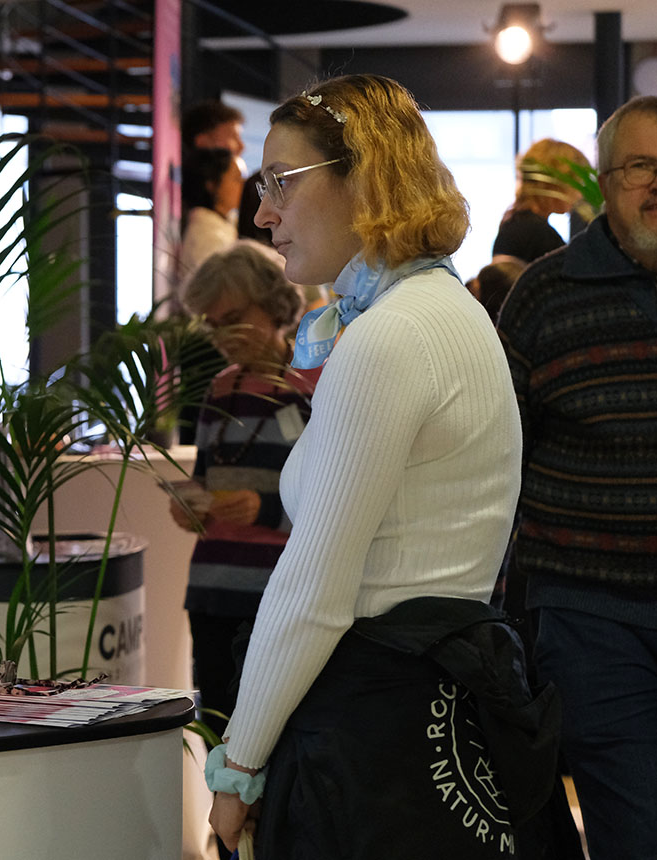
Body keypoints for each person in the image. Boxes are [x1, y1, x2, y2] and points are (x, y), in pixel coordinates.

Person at [206, 75, 560, 858]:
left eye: (282, 182)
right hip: (430, 704)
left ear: (363, 179)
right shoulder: (445, 311)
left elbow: (315, 589)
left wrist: (240, 763)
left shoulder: (391, 335)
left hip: (379, 733)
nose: (262, 212)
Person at [496, 95, 657, 860]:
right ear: (604, 182)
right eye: (641, 166)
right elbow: (497, 461)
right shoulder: (543, 294)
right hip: (592, 618)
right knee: (637, 832)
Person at [170, 240, 317, 741]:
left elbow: (334, 499)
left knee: (279, 737)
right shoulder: (218, 390)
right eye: (213, 325)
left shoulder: (311, 387)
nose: (224, 337)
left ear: (273, 305)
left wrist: (265, 508)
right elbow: (208, 476)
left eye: (233, 319)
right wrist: (190, 504)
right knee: (218, 732)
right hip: (212, 592)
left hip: (280, 594)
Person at [492, 138, 591, 265]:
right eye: (576, 182)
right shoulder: (539, 234)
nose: (580, 193)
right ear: (554, 183)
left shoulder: (514, 222)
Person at [179, 147, 245, 283]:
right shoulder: (208, 237)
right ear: (212, 185)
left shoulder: (223, 222)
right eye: (236, 179)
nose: (243, 184)